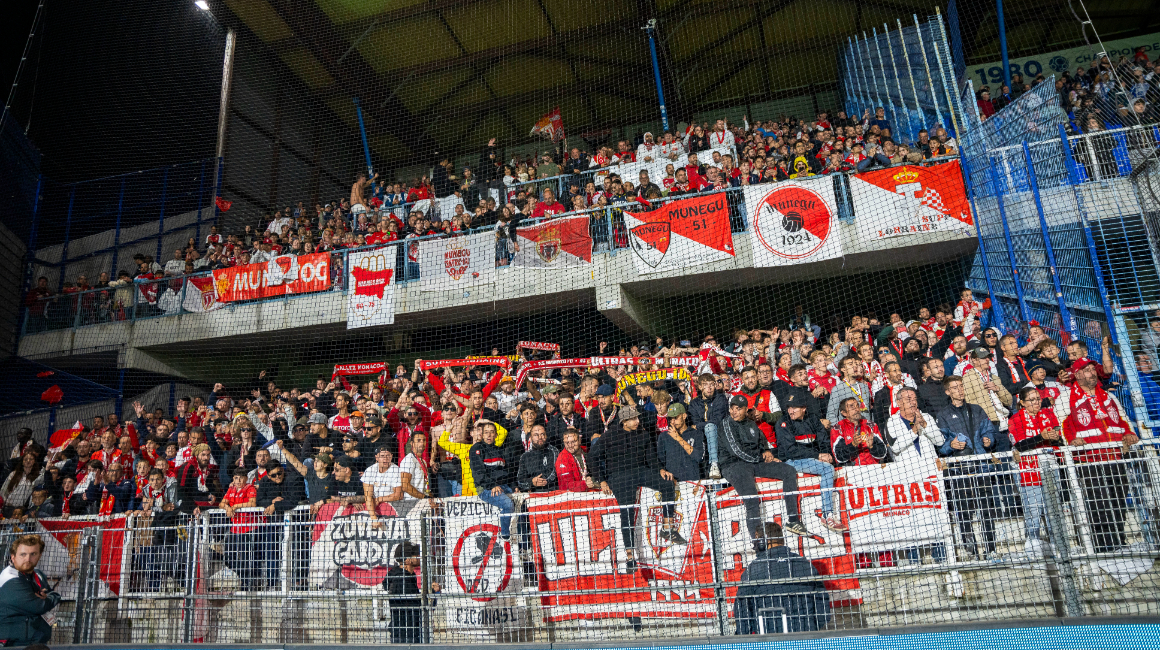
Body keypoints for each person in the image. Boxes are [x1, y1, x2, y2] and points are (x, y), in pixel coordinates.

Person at [1053, 358, 1138, 552]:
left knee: (1118, 499)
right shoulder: (1066, 398)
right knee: (1097, 502)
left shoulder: (1107, 396)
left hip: (1115, 455)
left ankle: (1119, 539)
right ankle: (1102, 544)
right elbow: (1062, 424)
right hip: (1088, 459)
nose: (1092, 372)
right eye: (1086, 369)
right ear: (1077, 374)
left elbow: (1123, 419)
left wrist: (1130, 434)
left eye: (1092, 368)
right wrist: (1071, 441)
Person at [588, 406, 686, 570]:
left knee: (668, 483)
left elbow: (651, 458)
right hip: (618, 475)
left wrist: (660, 469)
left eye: (638, 418)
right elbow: (592, 456)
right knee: (626, 510)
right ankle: (630, 556)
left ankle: (667, 528)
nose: (637, 421)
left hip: (640, 471)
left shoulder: (643, 434)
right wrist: (602, 480)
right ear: (624, 422)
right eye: (633, 419)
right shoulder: (610, 435)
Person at [718, 395, 811, 538]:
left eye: (739, 409)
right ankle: (758, 541)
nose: (734, 412)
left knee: (789, 471)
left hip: (754, 462)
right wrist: (760, 457)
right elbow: (736, 451)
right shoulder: (726, 423)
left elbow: (761, 441)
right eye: (732, 408)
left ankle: (793, 520)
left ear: (745, 410)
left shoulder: (750, 423)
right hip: (734, 465)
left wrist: (766, 451)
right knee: (752, 498)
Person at [936, 376, 1000, 560]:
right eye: (955, 388)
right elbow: (940, 442)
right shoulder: (943, 415)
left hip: (980, 465)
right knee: (963, 510)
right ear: (948, 392)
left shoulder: (977, 409)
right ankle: (970, 549)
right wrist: (951, 446)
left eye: (961, 386)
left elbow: (988, 429)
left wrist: (989, 439)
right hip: (959, 468)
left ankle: (990, 548)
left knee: (986, 509)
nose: (960, 390)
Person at [732, 522, 831, 634]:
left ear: (762, 542)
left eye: (756, 539)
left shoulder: (753, 570)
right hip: (805, 636)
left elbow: (742, 613)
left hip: (769, 639)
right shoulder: (805, 565)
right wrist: (810, 628)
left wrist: (750, 634)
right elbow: (822, 608)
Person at [775, 388, 845, 531]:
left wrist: (826, 454)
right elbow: (791, 451)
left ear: (804, 408)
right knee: (827, 469)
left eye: (794, 407)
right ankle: (827, 515)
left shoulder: (813, 419)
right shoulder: (783, 423)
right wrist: (818, 456)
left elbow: (823, 441)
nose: (791, 411)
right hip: (791, 460)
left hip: (811, 459)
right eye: (788, 407)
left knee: (831, 463)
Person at [1007, 386, 1063, 556]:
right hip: (1028, 469)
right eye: (1031, 400)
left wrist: (1056, 438)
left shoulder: (1048, 414)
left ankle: (1058, 544)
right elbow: (1020, 445)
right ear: (1022, 403)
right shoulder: (1015, 419)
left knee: (1053, 508)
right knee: (1033, 509)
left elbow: (1058, 439)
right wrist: (1042, 437)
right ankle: (1032, 545)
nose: (1036, 403)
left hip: (1049, 466)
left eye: (1038, 399)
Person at [0, 535, 60, 646]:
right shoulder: (10, 579)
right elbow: (38, 606)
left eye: (33, 554)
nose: (28, 559)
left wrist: (49, 596)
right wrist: (52, 597)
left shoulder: (38, 574)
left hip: (36, 641)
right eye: (23, 554)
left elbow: (50, 594)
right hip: (14, 644)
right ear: (13, 557)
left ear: (40, 555)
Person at [383, 541, 440, 644]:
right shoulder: (401, 579)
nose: (419, 557)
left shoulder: (407, 575)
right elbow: (416, 605)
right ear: (408, 560)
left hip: (408, 631)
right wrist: (431, 593)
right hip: (405, 634)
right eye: (416, 555)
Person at [470, 421, 515, 541]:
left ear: (496, 435)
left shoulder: (500, 451)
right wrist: (492, 485)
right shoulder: (476, 449)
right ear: (482, 435)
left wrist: (515, 486)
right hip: (486, 488)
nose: (489, 435)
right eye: (486, 432)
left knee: (523, 501)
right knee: (508, 505)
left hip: (503, 486)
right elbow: (478, 473)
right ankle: (505, 535)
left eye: (492, 432)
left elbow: (507, 472)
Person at [688, 373, 728, 480]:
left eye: (711, 384)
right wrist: (698, 426)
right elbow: (694, 422)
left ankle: (714, 464)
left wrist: (700, 425)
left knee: (710, 427)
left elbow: (717, 420)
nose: (709, 388)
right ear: (700, 387)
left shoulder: (720, 398)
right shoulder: (694, 403)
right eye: (705, 385)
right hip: (700, 439)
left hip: (720, 435)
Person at [830, 397, 889, 466]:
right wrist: (853, 445)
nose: (856, 409)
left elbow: (883, 453)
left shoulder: (871, 425)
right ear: (844, 413)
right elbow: (839, 457)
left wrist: (872, 447)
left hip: (873, 468)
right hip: (851, 471)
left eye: (857, 406)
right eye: (852, 407)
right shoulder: (838, 429)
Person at [655, 403, 705, 482]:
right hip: (672, 482)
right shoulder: (664, 437)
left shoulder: (696, 433)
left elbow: (699, 457)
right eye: (671, 419)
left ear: (684, 416)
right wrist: (661, 470)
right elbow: (659, 461)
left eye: (676, 418)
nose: (673, 421)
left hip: (693, 482)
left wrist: (678, 438)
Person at [516, 425, 558, 493]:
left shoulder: (553, 451)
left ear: (546, 436)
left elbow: (552, 474)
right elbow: (520, 480)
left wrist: (537, 481)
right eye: (536, 435)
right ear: (531, 437)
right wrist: (531, 482)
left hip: (551, 491)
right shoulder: (525, 456)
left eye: (542, 434)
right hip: (532, 494)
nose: (540, 437)